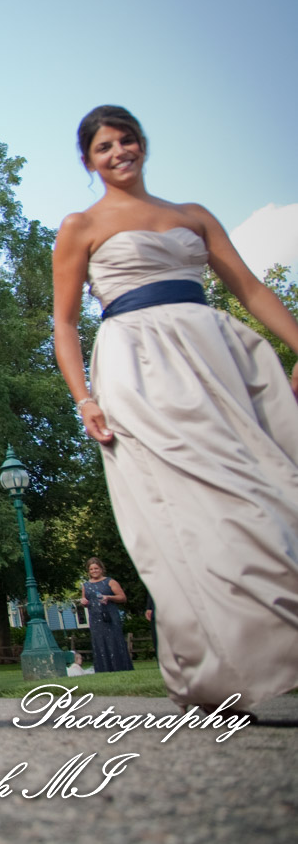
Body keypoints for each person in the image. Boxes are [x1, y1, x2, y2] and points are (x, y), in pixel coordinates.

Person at [52, 104, 298, 711]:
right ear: (88, 160)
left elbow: (251, 287)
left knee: (267, 496)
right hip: (139, 367)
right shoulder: (80, 226)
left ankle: (276, 657)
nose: (119, 153)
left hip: (217, 358)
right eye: (105, 147)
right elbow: (62, 323)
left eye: (127, 141)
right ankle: (241, 674)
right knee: (193, 512)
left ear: (143, 145)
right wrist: (84, 398)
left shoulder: (192, 216)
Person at [78, 556, 133, 673]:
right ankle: (103, 669)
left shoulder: (110, 581)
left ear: (101, 569)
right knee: (99, 642)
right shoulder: (85, 585)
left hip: (110, 616)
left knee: (114, 641)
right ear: (88, 571)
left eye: (96, 568)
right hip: (95, 618)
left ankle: (120, 667)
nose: (94, 571)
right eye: (91, 569)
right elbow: (85, 600)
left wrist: (109, 597)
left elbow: (122, 597)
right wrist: (83, 602)